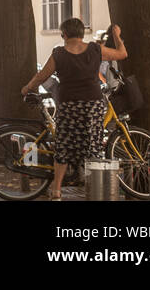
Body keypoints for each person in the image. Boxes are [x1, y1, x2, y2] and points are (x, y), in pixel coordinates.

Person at [21, 19, 126, 200]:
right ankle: (94, 189)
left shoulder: (59, 54)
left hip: (68, 104)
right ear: (81, 34)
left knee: (63, 146)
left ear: (64, 34)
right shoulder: (95, 49)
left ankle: (57, 189)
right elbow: (122, 54)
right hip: (92, 104)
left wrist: (27, 88)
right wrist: (116, 35)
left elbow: (41, 76)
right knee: (92, 145)